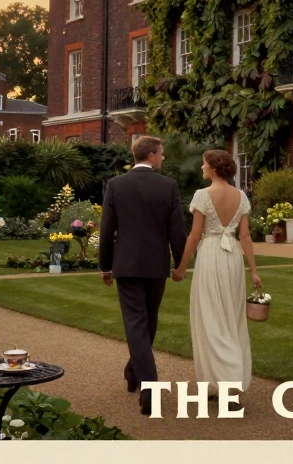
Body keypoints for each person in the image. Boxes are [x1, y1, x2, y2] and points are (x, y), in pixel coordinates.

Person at [98, 136, 187, 416]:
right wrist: (180, 263)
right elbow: (177, 230)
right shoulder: (168, 186)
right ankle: (150, 388)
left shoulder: (116, 185)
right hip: (155, 265)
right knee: (147, 321)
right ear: (150, 154)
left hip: (126, 264)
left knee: (141, 324)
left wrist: (105, 266)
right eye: (161, 153)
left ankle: (134, 371)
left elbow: (106, 230)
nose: (163, 157)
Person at [173, 149, 262, 397]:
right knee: (231, 319)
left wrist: (181, 268)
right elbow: (245, 236)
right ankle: (217, 383)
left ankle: (226, 382)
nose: (202, 167)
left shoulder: (202, 195)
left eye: (204, 164)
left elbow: (194, 236)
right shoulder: (240, 196)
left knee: (211, 318)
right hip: (232, 257)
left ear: (213, 168)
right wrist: (254, 271)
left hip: (211, 255)